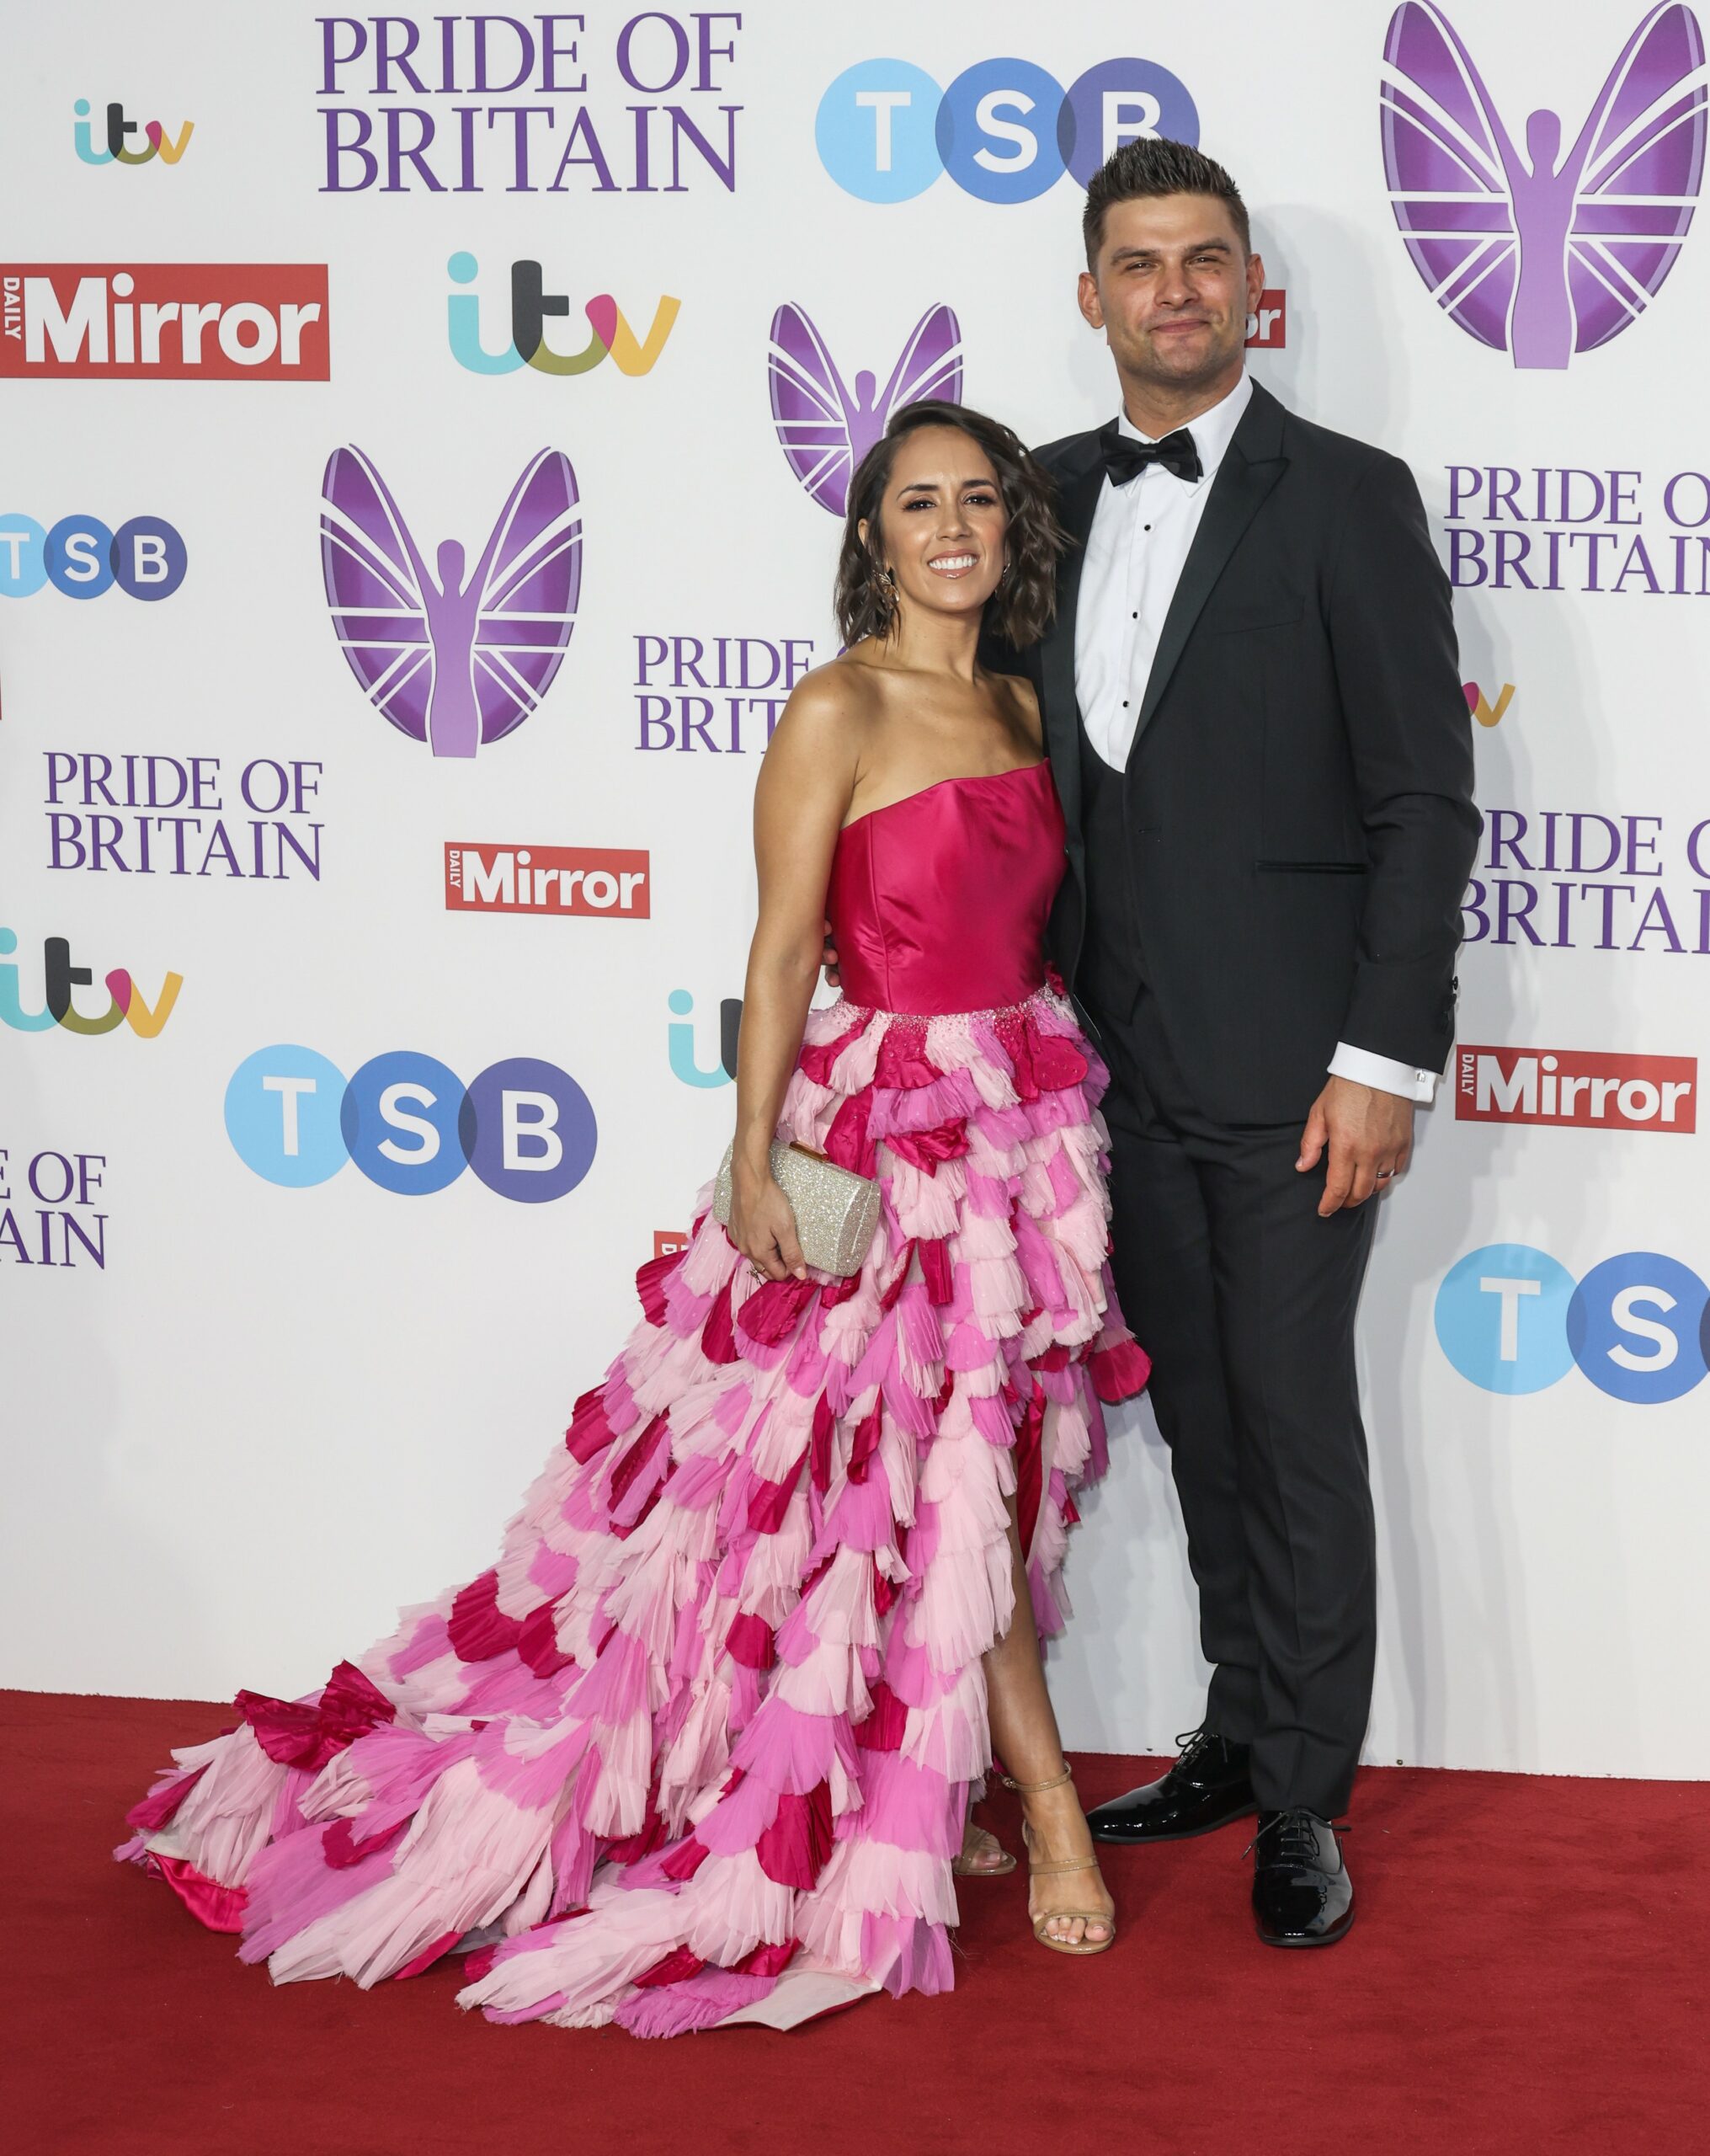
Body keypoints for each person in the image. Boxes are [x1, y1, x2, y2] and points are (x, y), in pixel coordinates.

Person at [116, 404, 1149, 2034]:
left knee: (988, 1469)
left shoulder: (1020, 703)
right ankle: (1057, 1812)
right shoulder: (837, 707)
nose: (951, 527)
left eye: (976, 501)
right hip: (873, 1138)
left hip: (1024, 1126)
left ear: (1011, 528)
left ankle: (952, 1768)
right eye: (917, 503)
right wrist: (753, 1157)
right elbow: (780, 951)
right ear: (872, 533)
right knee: (931, 1475)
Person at [994, 138, 1480, 1946]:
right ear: (1092, 292)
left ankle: (1303, 1799)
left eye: (1205, 260)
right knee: (1194, 1412)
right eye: (1140, 262)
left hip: (1293, 1079)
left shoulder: (1345, 498)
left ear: (1247, 285)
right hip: (1090, 1079)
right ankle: (1233, 1720)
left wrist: (1380, 1057)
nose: (1174, 290)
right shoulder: (1034, 499)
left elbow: (1423, 802)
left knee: (1288, 1425)